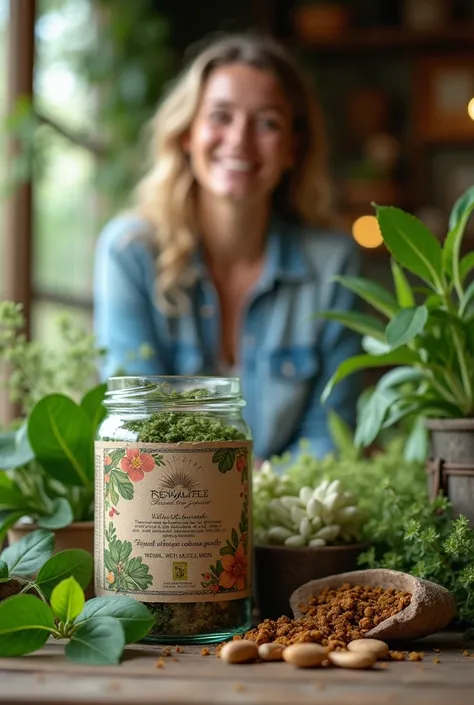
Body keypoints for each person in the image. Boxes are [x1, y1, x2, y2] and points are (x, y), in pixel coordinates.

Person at [93, 31, 362, 463]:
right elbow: (135, 420)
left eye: (268, 122)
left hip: (289, 519)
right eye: (220, 116)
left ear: (293, 147)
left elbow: (329, 432)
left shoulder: (334, 264)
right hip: (166, 513)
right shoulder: (129, 251)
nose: (240, 140)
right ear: (186, 134)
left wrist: (251, 500)